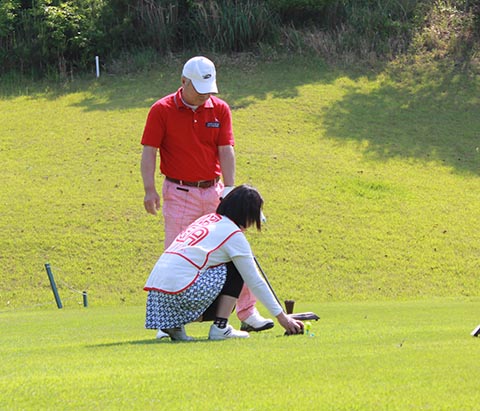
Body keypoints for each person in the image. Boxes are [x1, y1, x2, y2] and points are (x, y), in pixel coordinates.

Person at [140, 56, 273, 339]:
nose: (204, 95)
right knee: (176, 258)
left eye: (208, 89)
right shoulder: (161, 110)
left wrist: (230, 189)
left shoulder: (220, 109)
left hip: (214, 191)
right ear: (183, 82)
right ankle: (169, 324)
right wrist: (149, 190)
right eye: (199, 89)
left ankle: (248, 313)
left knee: (237, 251)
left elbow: (226, 149)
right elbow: (149, 151)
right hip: (179, 192)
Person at [144, 185, 304, 340]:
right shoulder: (233, 233)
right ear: (246, 214)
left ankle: (175, 327)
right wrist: (282, 318)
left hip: (157, 301)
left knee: (206, 269)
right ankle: (220, 328)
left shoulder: (206, 220)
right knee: (235, 267)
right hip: (182, 294)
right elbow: (254, 280)